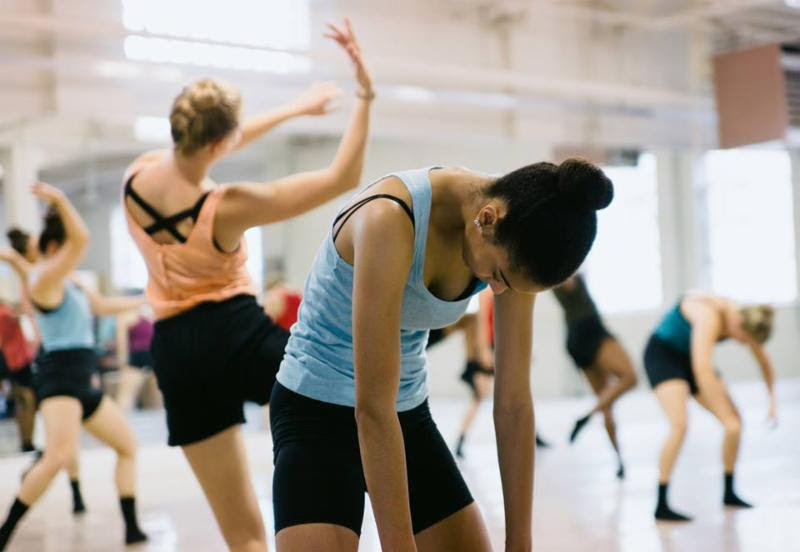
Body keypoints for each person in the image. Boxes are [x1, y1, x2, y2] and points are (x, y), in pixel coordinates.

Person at [122, 18, 373, 552]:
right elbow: (342, 178)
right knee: (343, 408)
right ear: (220, 141)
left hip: (176, 353)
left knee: (243, 537)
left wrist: (294, 109)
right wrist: (366, 97)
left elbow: (214, 145)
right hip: (235, 334)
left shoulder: (136, 177)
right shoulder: (227, 207)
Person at [272, 159, 613, 550]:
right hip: (316, 412)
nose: (498, 290)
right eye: (498, 276)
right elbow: (372, 408)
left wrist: (520, 543)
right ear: (487, 219)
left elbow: (514, 404)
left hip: (405, 410)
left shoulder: (520, 236)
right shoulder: (389, 219)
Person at [0, 183, 147, 550]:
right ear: (54, 249)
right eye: (65, 249)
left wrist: (146, 300)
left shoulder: (72, 282)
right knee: (58, 457)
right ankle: (3, 534)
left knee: (127, 446)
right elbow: (81, 239)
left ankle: (132, 528)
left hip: (84, 379)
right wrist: (59, 199)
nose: (74, 254)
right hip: (60, 378)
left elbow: (101, 306)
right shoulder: (42, 281)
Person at [644, 293, 776, 521]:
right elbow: (702, 371)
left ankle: (729, 493)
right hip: (663, 356)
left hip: (691, 358)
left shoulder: (747, 321)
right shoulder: (708, 316)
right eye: (742, 340)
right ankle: (661, 504)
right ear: (737, 323)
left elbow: (764, 362)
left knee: (735, 425)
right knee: (680, 425)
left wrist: (772, 402)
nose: (741, 344)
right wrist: (723, 413)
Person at [2, 232, 89, 514]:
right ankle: (44, 471)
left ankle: (74, 491)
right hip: (51, 360)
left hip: (62, 360)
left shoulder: (49, 274)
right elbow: (11, 256)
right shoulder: (35, 276)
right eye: (32, 243)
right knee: (60, 443)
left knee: (66, 438)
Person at [554, 274, 637, 479]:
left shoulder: (548, 274)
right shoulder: (562, 269)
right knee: (630, 377)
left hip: (575, 337)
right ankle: (588, 415)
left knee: (606, 400)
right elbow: (568, 282)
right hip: (590, 329)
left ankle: (619, 461)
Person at [115, 304, 158, 411]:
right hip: (154, 354)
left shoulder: (126, 316)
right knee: (156, 397)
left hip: (138, 354)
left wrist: (122, 362)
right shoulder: (153, 314)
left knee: (126, 394)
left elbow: (122, 342)